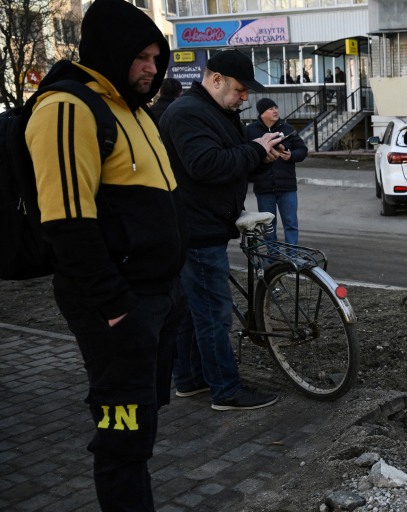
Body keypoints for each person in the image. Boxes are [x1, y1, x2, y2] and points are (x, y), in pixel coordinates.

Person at [24, 0, 186, 509]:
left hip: (157, 297)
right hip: (118, 306)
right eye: (141, 57)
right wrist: (116, 308)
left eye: (157, 57)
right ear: (109, 51)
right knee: (122, 437)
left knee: (142, 424)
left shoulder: (132, 109)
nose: (151, 69)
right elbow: (67, 225)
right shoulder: (67, 108)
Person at [160, 49, 286, 411]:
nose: (245, 97)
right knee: (214, 313)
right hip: (196, 229)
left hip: (202, 224)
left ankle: (190, 379)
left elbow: (234, 162)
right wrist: (254, 150)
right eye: (240, 89)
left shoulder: (216, 112)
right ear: (216, 80)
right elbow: (205, 165)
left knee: (192, 309)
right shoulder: (187, 113)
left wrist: (262, 158)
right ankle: (226, 391)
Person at [246, 98, 308, 245]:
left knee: (291, 223)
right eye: (270, 109)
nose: (275, 111)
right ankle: (272, 256)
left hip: (287, 187)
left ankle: (292, 255)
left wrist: (292, 155)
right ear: (262, 113)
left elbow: (302, 150)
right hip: (263, 187)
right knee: (268, 226)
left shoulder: (287, 129)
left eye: (276, 107)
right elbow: (245, 153)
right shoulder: (250, 131)